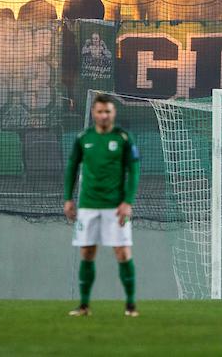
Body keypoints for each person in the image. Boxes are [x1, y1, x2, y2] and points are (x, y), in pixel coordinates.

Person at [63, 93, 141, 317]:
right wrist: (68, 198)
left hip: (116, 206)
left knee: (123, 253)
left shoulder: (124, 138)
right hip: (87, 205)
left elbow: (134, 171)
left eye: (108, 111)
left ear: (113, 113)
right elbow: (71, 168)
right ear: (93, 113)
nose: (104, 115)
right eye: (100, 111)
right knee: (87, 252)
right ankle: (84, 305)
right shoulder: (83, 138)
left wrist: (128, 202)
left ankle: (131, 305)